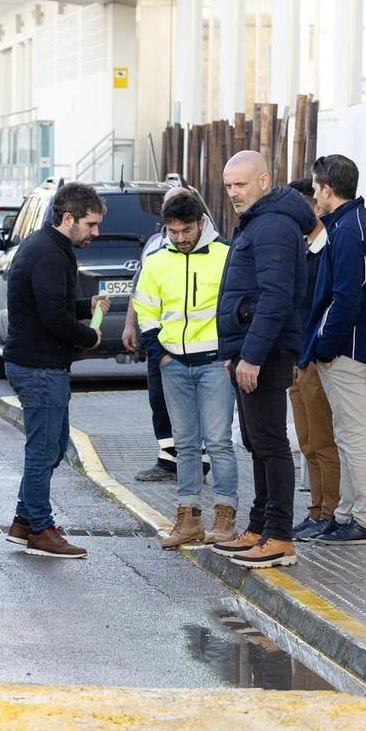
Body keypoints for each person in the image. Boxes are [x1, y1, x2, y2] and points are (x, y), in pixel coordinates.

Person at [212, 150, 312, 568]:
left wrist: (250, 355)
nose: (234, 193)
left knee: (270, 443)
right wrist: (234, 352)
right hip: (250, 349)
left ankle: (280, 537)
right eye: (229, 185)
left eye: (241, 184)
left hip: (265, 351)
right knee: (255, 441)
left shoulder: (272, 224)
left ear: (265, 181)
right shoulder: (259, 221)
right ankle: (259, 528)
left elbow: (274, 298)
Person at [3, 182, 108, 559]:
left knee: (50, 447)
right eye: (91, 224)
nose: (95, 233)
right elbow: (52, 318)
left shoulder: (49, 246)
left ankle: (23, 522)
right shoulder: (49, 253)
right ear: (68, 218)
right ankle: (41, 529)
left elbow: (52, 303)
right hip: (39, 367)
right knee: (44, 449)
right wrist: (90, 336)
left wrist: (85, 305)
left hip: (39, 364)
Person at [129, 189, 238, 550]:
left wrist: (229, 354)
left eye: (187, 231)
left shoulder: (225, 255)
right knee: (185, 445)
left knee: (219, 442)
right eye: (173, 232)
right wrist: (158, 352)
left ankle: (225, 517)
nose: (181, 238)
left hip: (215, 365)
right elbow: (146, 308)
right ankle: (188, 518)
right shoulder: (158, 260)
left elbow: (237, 307)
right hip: (173, 364)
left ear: (201, 223)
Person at [299, 154, 366, 544]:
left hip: (347, 352)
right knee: (347, 433)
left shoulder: (347, 231)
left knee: (353, 435)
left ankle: (365, 520)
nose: (313, 195)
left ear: (326, 188)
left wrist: (324, 346)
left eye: (315, 187)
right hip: (365, 347)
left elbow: (345, 300)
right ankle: (346, 515)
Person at [122, 185, 196, 484]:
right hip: (159, 340)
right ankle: (167, 460)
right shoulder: (154, 245)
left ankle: (197, 462)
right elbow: (140, 289)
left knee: (193, 407)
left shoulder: (209, 247)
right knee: (159, 401)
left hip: (193, 344)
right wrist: (130, 324)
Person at [286, 178, 341, 541]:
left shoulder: (331, 250)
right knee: (305, 439)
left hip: (317, 356)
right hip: (296, 356)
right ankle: (315, 510)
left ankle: (330, 512)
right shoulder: (301, 250)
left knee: (322, 439)